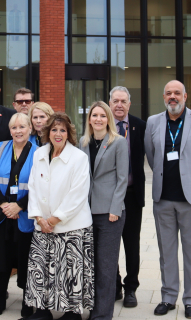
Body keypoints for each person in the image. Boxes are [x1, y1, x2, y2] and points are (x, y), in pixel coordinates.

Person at [145, 80, 191, 319]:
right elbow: (151, 154)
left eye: (177, 93)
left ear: (185, 96)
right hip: (163, 199)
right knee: (166, 251)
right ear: (163, 97)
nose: (172, 97)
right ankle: (168, 297)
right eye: (168, 93)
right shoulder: (153, 122)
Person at [24, 112, 93, 320]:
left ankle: (72, 313)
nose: (58, 133)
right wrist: (38, 218)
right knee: (41, 268)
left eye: (62, 130)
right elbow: (33, 186)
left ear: (69, 133)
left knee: (70, 272)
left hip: (71, 226)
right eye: (54, 129)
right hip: (42, 225)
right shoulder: (39, 154)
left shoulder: (79, 157)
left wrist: (54, 219)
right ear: (47, 132)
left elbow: (78, 194)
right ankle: (43, 311)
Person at [0, 112, 39, 318]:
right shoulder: (0, 148)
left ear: (30, 129)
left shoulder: (39, 152)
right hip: (1, 213)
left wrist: (19, 206)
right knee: (0, 258)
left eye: (22, 127)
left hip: (25, 215)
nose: (18, 131)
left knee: (26, 260)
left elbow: (41, 187)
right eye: (14, 128)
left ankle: (27, 301)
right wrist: (4, 204)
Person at [80, 102, 129, 320]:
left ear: (108, 118)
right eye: (94, 115)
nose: (98, 119)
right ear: (89, 119)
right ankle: (92, 308)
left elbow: (122, 179)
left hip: (110, 213)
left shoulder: (118, 142)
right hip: (86, 212)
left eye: (102, 115)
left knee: (106, 267)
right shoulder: (83, 142)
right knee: (90, 265)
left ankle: (101, 315)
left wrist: (115, 208)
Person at [108, 86, 147, 307]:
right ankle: (114, 286)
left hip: (131, 196)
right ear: (110, 103)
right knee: (109, 244)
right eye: (115, 101)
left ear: (129, 104)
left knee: (132, 244)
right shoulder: (102, 125)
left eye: (123, 101)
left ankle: (131, 287)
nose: (119, 105)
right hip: (108, 196)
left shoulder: (140, 126)